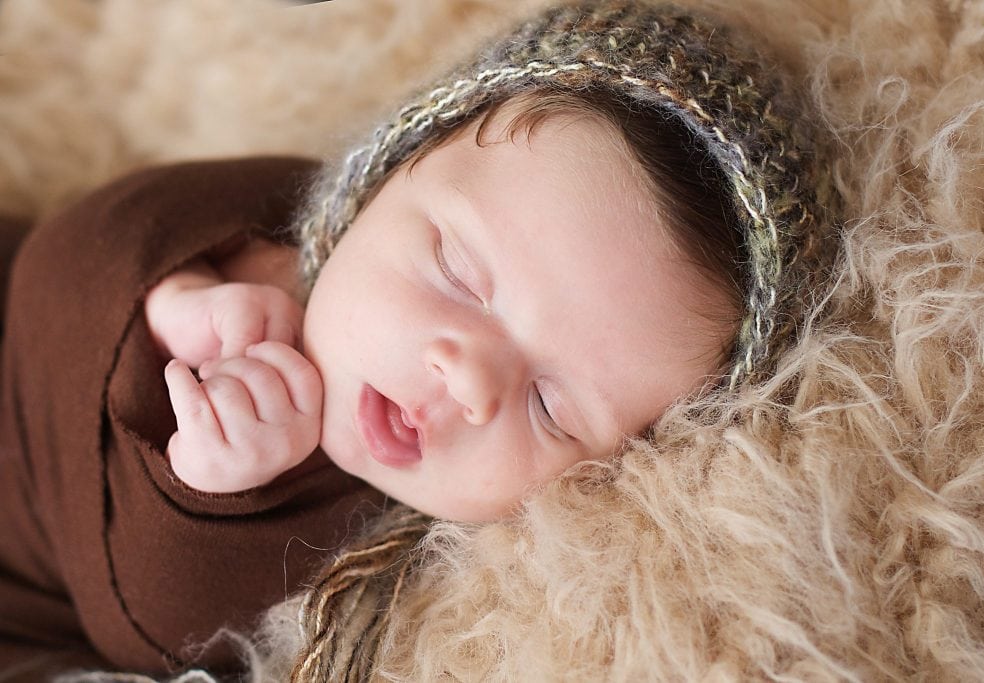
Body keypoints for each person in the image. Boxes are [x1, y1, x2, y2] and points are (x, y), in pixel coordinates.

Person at [0, 0, 837, 679]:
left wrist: (215, 491)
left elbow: (149, 631)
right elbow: (63, 255)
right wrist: (177, 283)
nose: (467, 379)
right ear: (389, 170)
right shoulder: (292, 229)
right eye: (460, 275)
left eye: (551, 406)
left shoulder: (379, 541)